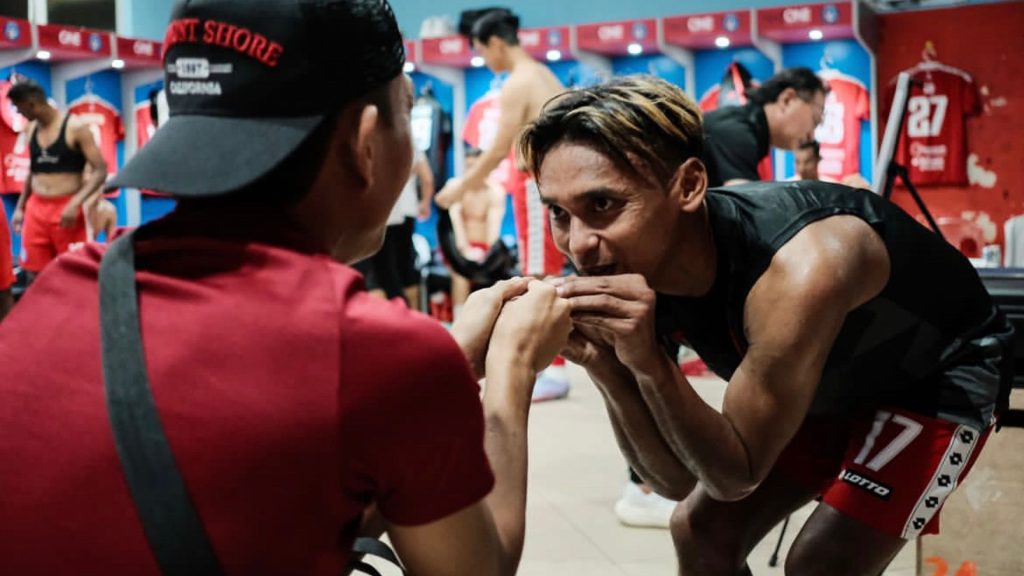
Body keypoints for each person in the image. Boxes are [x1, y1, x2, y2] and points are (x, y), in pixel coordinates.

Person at [0, 1, 572, 574]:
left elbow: (272, 508)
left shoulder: (56, 292)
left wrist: (443, 369)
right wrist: (512, 366)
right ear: (365, 142)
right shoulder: (381, 355)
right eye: (403, 111)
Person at [517, 75, 1013, 575]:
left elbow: (736, 477)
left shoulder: (803, 267)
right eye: (559, 212)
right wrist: (605, 363)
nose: (578, 244)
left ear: (688, 186)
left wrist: (648, 361)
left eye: (603, 205)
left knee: (821, 563)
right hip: (825, 377)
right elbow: (675, 481)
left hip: (935, 378)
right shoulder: (634, 260)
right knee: (700, 530)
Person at [436, 7, 570, 401]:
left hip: (535, 188)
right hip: (545, 186)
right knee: (545, 274)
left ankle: (549, 368)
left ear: (495, 43)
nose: (484, 60)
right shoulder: (543, 75)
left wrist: (460, 188)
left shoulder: (518, 82)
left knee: (539, 277)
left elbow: (497, 150)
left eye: (482, 51)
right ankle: (552, 366)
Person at [8, 80, 108, 282]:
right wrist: (20, 207)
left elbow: (100, 170)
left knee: (74, 272)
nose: (19, 113)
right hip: (36, 209)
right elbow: (33, 172)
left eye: (19, 108)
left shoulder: (75, 128)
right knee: (34, 273)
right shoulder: (31, 129)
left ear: (32, 103)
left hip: (66, 208)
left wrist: (76, 203)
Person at [703, 66, 826, 187]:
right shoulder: (737, 132)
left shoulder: (745, 127)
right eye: (815, 120)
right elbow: (743, 197)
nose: (811, 136)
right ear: (787, 99)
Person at [353, 148, 433, 308]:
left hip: (376, 214)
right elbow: (427, 178)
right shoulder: (410, 144)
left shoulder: (365, 145)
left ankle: (394, 316)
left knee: (376, 274)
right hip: (402, 212)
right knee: (401, 271)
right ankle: (413, 315)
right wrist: (425, 202)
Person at [449, 146, 507, 316]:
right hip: (460, 248)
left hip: (484, 248)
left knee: (496, 275)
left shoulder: (495, 192)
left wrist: (487, 256)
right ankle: (459, 320)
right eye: (468, 166)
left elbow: (493, 229)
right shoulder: (455, 188)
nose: (471, 171)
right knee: (460, 276)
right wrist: (464, 250)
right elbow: (456, 224)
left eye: (475, 167)